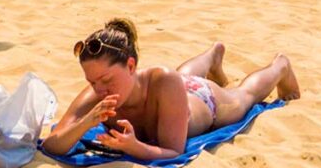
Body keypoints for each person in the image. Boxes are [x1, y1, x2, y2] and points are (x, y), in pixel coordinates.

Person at [41, 19, 300, 159]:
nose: (99, 89)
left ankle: (280, 66)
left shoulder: (164, 80)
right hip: (176, 87)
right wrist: (87, 122)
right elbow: (52, 145)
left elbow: (174, 151)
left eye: (107, 80)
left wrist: (134, 147)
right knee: (183, 75)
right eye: (92, 81)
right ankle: (212, 56)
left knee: (243, 97)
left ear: (131, 66)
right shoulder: (97, 93)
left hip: (202, 100)